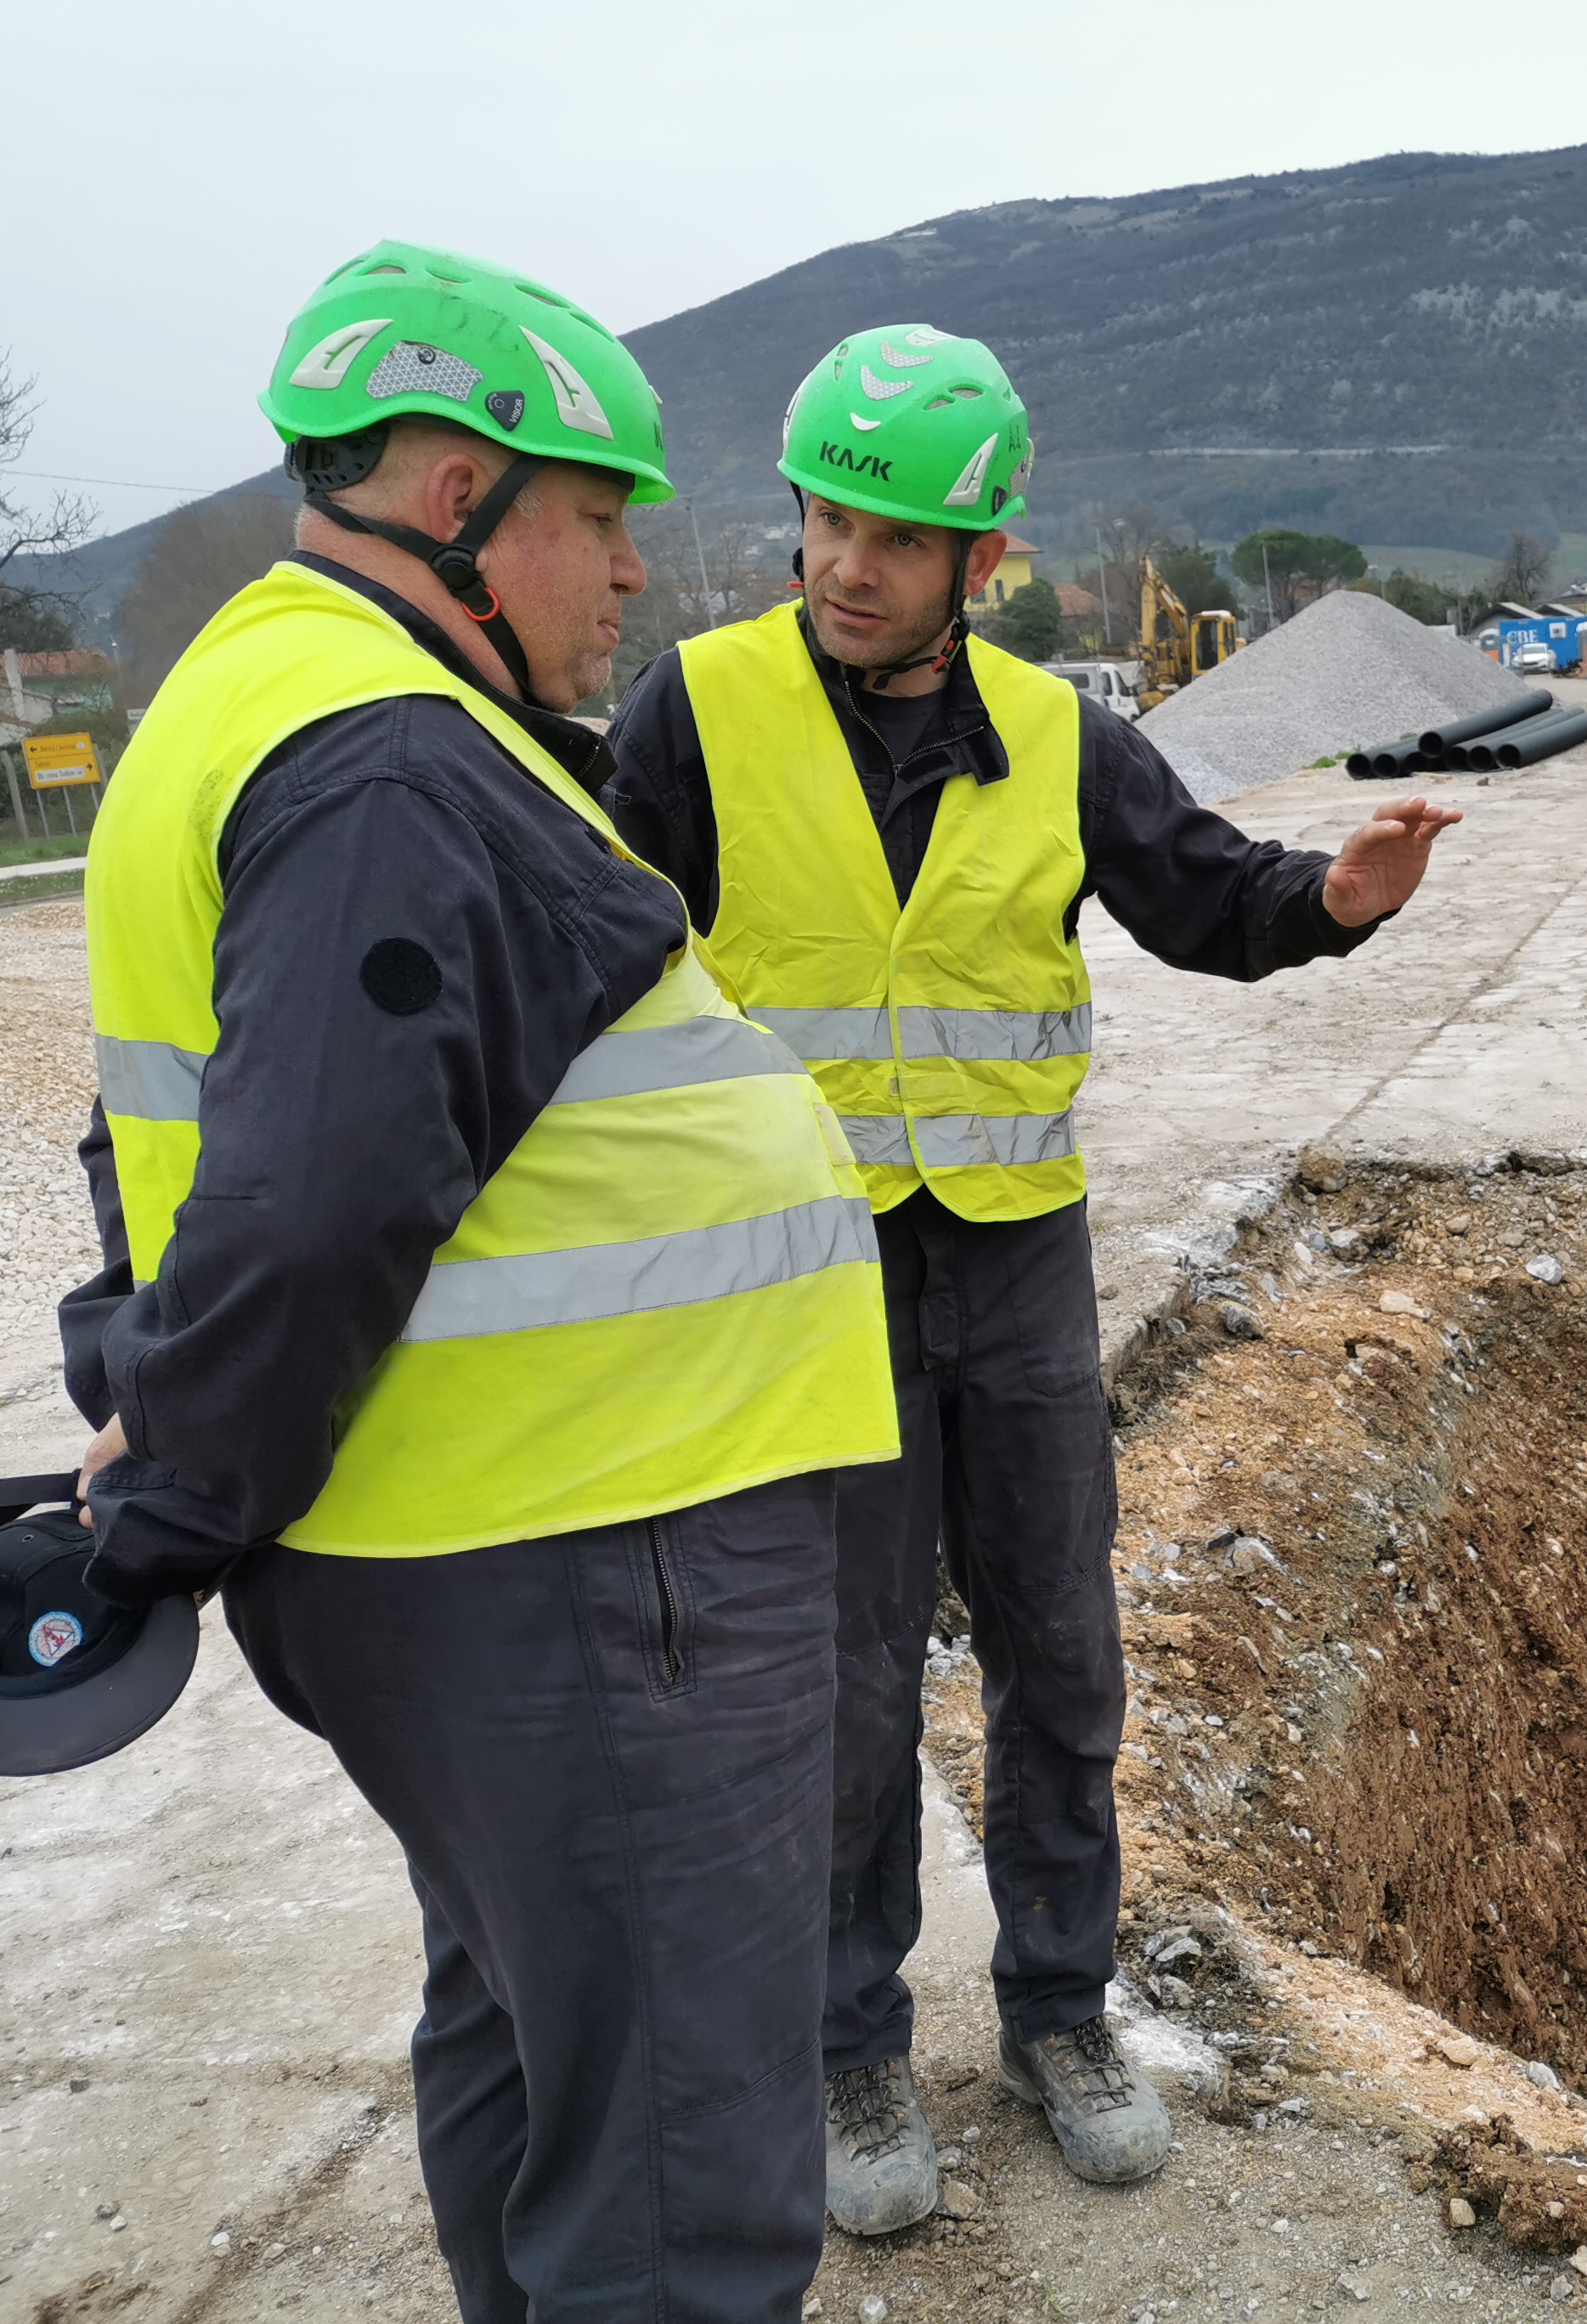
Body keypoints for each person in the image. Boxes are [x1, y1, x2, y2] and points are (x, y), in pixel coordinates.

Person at [62, 241, 896, 2322]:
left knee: (543, 2052)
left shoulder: (283, 701)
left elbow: (178, 1137)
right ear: (456, 498)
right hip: (596, 1551)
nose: (631, 578)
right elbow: (316, 1198)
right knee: (681, 2166)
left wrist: (154, 1396)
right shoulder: (389, 761)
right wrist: (171, 1480)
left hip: (518, 1550)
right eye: (599, 522)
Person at [605, 324, 1459, 2233]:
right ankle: (846, 2047)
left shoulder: (1065, 738)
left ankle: (1063, 2010)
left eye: (895, 535)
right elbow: (591, 961)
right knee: (839, 1685)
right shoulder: (692, 713)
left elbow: (1206, 894)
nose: (846, 561)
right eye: (828, 516)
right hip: (802, 1276)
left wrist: (1335, 897)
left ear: (979, 563)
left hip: (1012, 1270)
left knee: (1059, 1657)